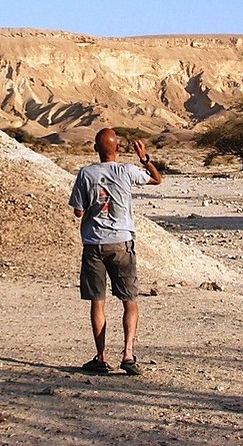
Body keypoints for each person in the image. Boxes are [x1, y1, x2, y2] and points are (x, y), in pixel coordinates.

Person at [68, 127, 162, 375]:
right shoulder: (127, 171)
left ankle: (101, 357)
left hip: (94, 243)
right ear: (118, 148)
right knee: (129, 300)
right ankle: (128, 354)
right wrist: (145, 159)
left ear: (95, 149)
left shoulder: (86, 174)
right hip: (122, 243)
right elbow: (156, 179)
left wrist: (92, 207)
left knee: (97, 302)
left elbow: (78, 211)